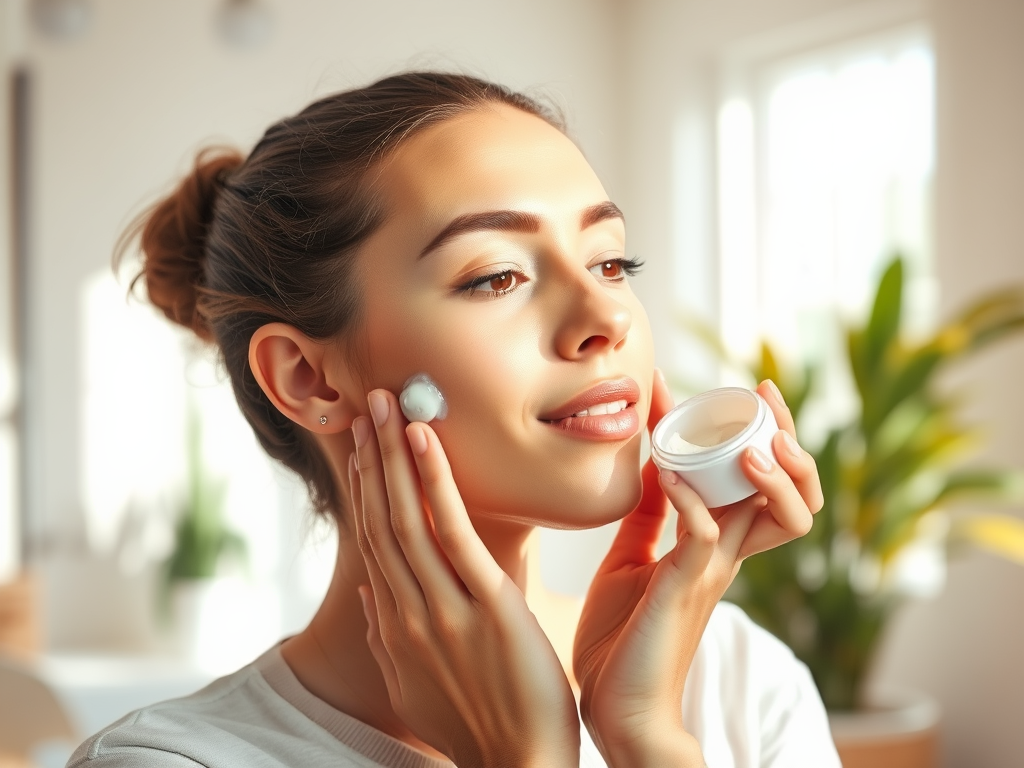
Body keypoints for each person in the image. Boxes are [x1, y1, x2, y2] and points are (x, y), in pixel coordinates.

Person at [68, 72, 840, 768]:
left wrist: (646, 736)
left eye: (610, 261)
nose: (607, 315)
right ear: (308, 377)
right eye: (496, 275)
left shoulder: (739, 685)